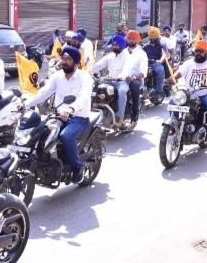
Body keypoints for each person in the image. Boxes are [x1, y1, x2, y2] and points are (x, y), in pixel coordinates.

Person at [25, 46, 92, 183]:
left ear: (76, 62)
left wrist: (71, 109)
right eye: (63, 58)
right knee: (39, 133)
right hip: (58, 116)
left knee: (65, 136)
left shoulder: (85, 78)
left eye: (68, 59)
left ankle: (77, 166)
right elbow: (44, 92)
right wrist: (25, 104)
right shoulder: (57, 76)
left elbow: (83, 97)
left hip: (78, 117)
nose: (64, 61)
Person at [167, 40, 207, 141]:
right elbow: (179, 73)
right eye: (196, 51)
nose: (198, 53)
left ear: (206, 52)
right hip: (190, 93)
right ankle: (175, 126)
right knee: (173, 102)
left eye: (201, 51)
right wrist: (172, 79)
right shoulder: (189, 63)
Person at [93, 35, 132, 127]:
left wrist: (120, 77)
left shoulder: (127, 57)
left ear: (122, 45)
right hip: (109, 80)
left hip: (122, 81)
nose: (114, 46)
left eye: (116, 45)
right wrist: (90, 71)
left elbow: (127, 70)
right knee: (95, 88)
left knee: (122, 91)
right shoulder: (110, 56)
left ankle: (120, 116)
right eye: (113, 45)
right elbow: (99, 65)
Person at [121, 30, 147, 129]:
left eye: (133, 38)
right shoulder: (123, 52)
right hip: (122, 79)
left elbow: (143, 72)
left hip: (136, 79)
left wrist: (134, 77)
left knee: (134, 86)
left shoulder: (141, 53)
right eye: (129, 38)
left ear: (137, 40)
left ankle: (134, 117)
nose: (131, 40)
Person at [143, 27, 165, 98]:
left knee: (160, 70)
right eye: (151, 36)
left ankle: (159, 91)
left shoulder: (161, 46)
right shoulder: (145, 46)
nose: (152, 37)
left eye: (154, 36)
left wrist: (160, 60)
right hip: (146, 63)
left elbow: (164, 55)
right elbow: (140, 53)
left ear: (157, 36)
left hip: (156, 63)